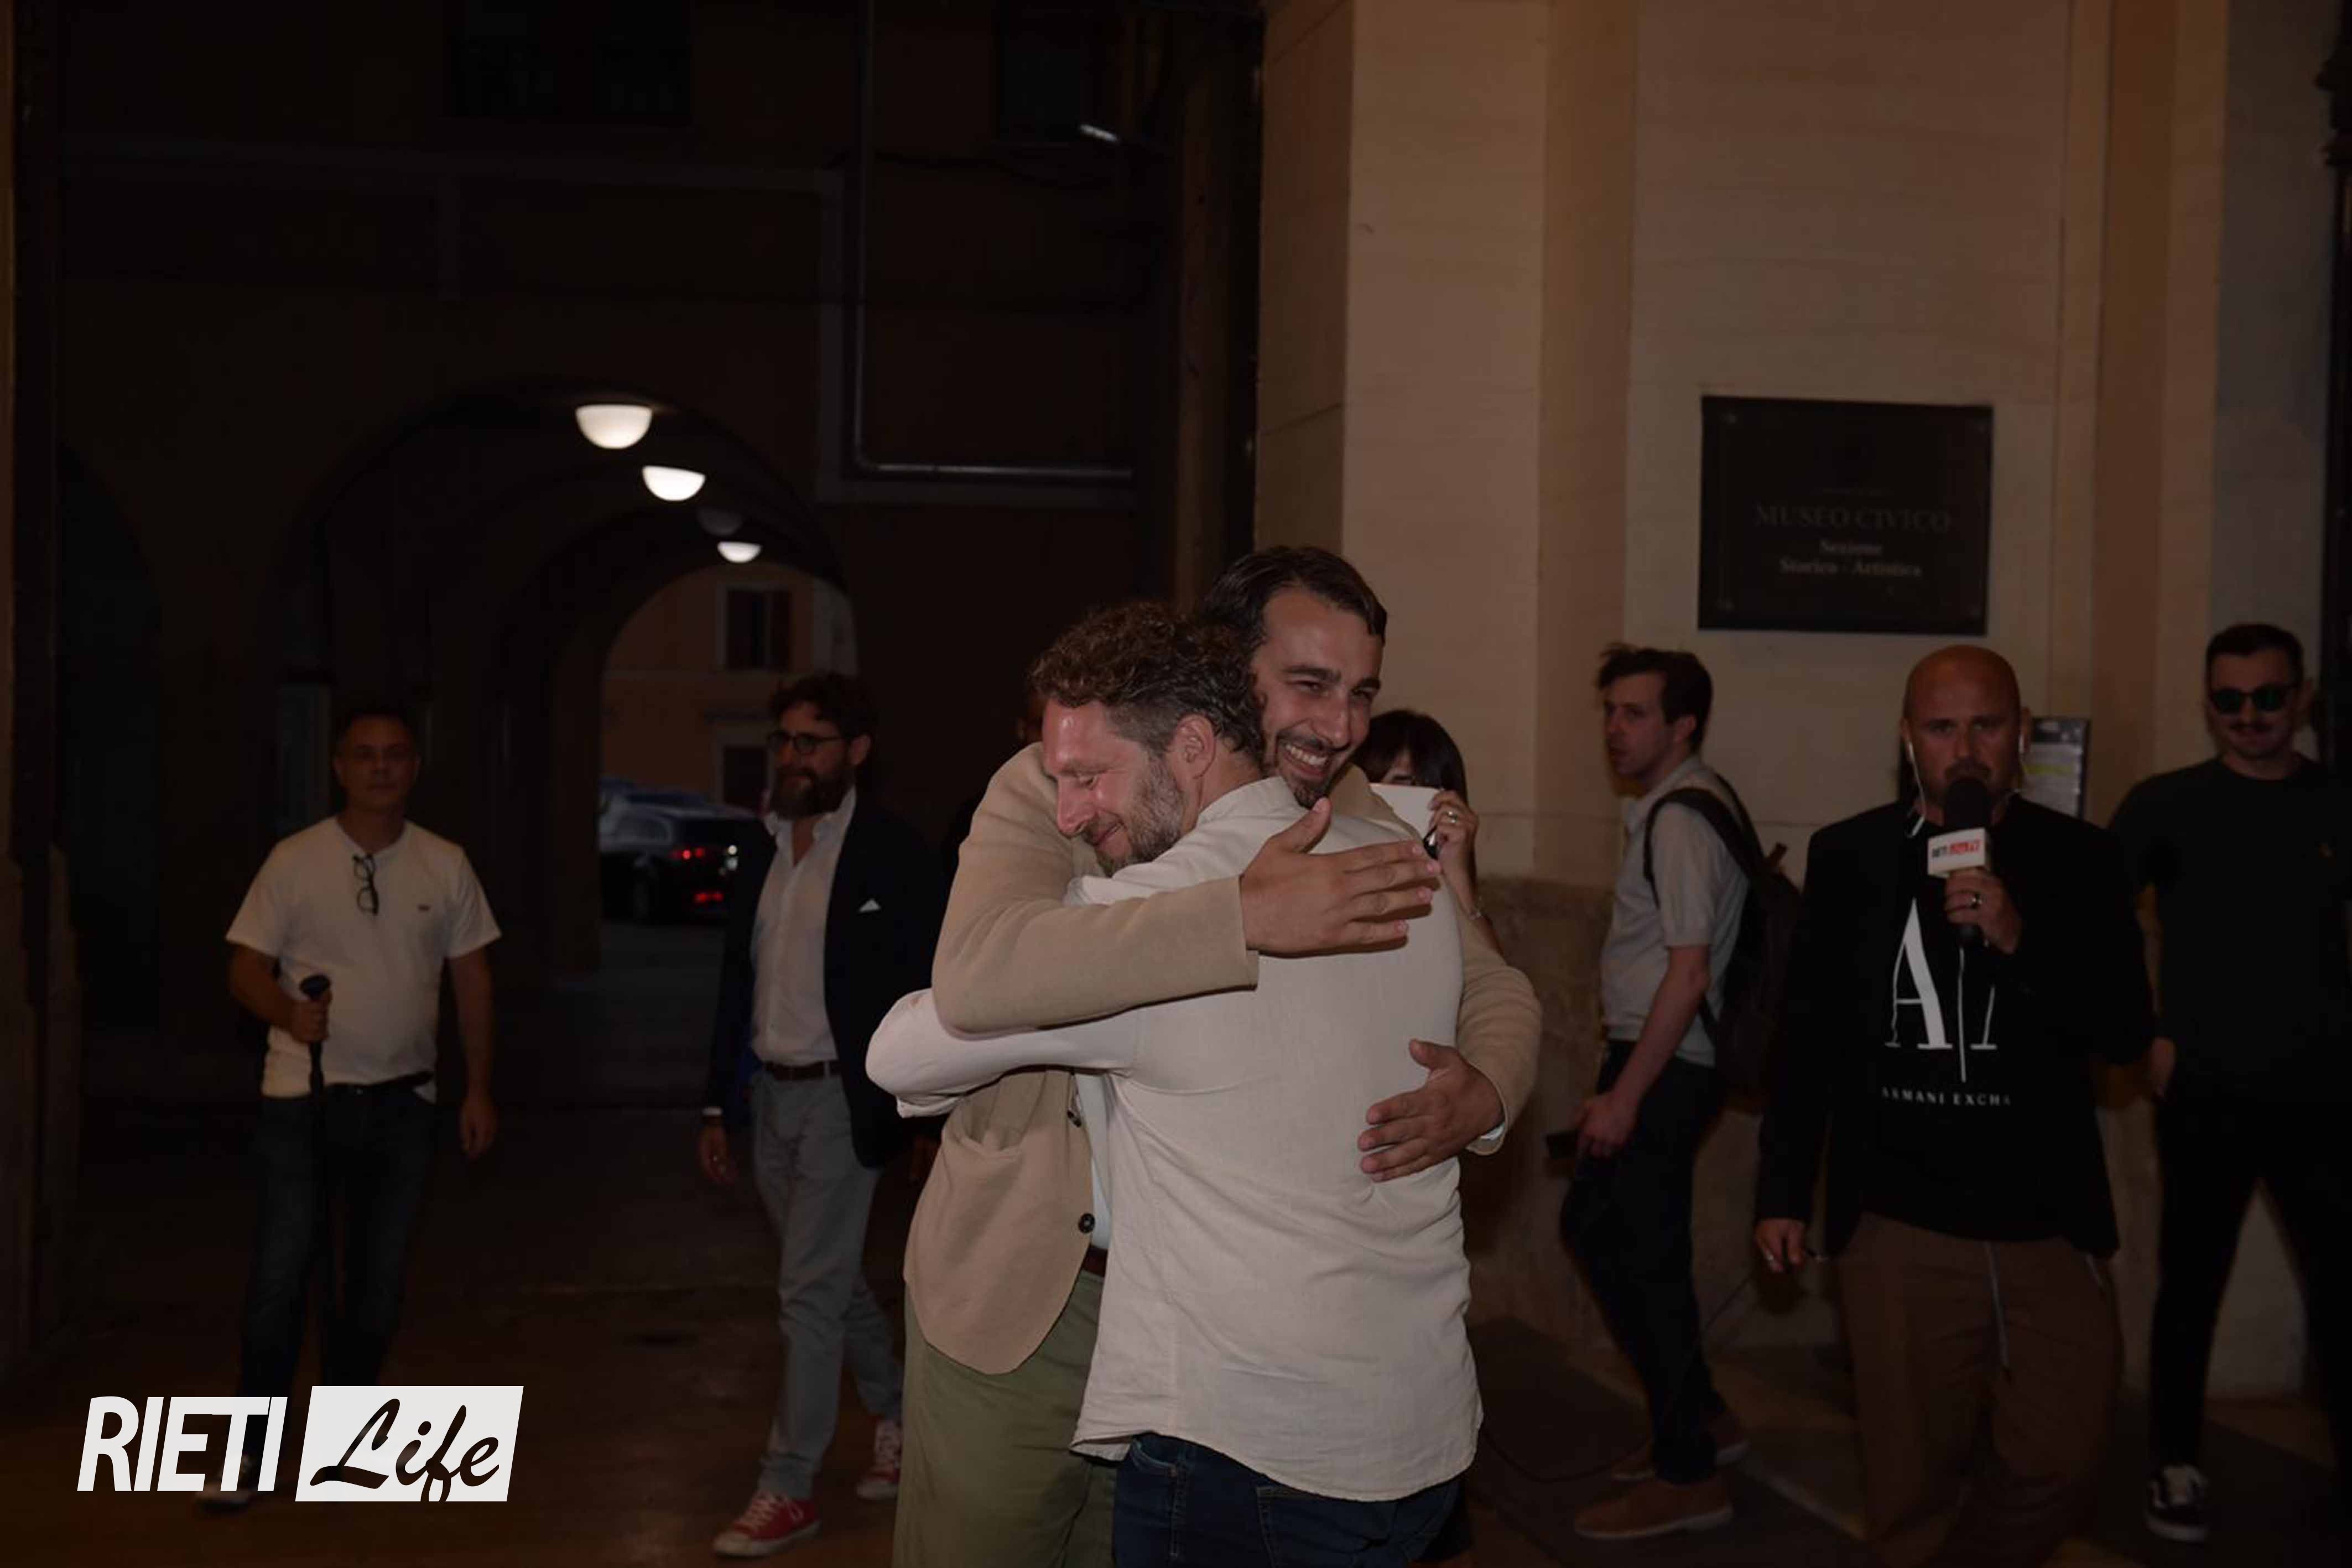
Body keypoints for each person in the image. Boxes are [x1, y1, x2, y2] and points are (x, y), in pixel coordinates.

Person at [889, 547, 1541, 1568]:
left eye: (1362, 693)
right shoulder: (1062, 779)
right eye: (1310, 685)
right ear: (1224, 674)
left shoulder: (1358, 808)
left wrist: (1487, 1090)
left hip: (1207, 1344)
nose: (1341, 726)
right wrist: (1238, 916)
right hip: (1029, 1292)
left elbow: (1493, 980)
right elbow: (975, 975)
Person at [1756, 645, 2153, 1568]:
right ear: (1908, 738)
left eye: (1986, 725)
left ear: (2021, 734)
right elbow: (1807, 1039)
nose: (1965, 749)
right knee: (1910, 1484)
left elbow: (2126, 1032)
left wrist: (2019, 938)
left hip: (2045, 1220)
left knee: (2063, 1452)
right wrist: (1781, 1189)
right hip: (1900, 1223)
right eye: (1942, 727)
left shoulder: (2083, 858)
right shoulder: (1851, 855)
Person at [207, 700, 499, 1508]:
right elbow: (244, 966)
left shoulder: (445, 864)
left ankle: (344, 1448)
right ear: (339, 768)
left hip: (406, 1104)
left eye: (394, 754)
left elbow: (473, 978)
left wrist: (477, 1087)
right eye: (364, 754)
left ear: (414, 767)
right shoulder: (295, 860)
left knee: (375, 1283)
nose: (380, 767)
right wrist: (287, 1013)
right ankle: (253, 1454)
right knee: (282, 1275)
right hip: (302, 1098)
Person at [2108, 621, 2351, 1545]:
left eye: (2269, 696)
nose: (2250, 715)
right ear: (2208, 703)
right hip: (2205, 1088)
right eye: (2229, 699)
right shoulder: (2165, 804)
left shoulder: (2336, 804)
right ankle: (2174, 1462)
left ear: (2302, 697)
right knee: (2191, 1282)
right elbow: (2097, 922)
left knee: (2341, 1284)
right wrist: (2144, 1035)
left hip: (2322, 1092)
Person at [696, 672, 941, 1558]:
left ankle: (788, 1484)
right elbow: (736, 980)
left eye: (812, 742)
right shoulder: (763, 845)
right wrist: (718, 1101)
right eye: (785, 741)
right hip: (770, 1093)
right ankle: (902, 1410)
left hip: (846, 1096)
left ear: (856, 751)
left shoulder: (892, 852)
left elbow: (926, 982)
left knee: (805, 1291)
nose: (793, 757)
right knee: (826, 1282)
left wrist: (924, 1115)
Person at [1562, 645, 1751, 1540]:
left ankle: (1688, 1473)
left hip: (1664, 1064)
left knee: (1642, 1258)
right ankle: (1700, 1416)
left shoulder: (1680, 818)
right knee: (1609, 1235)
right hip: (1662, 1062)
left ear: (1684, 725)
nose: (1614, 728)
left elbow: (1688, 973)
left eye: (1634, 713)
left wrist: (1625, 1097)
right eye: (1609, 710)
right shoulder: (1686, 803)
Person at [1355, 707, 1483, 927]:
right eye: (1371, 786)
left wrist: (1457, 876)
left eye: (1404, 785)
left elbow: (1480, 950)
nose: (1382, 803)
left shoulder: (1438, 882)